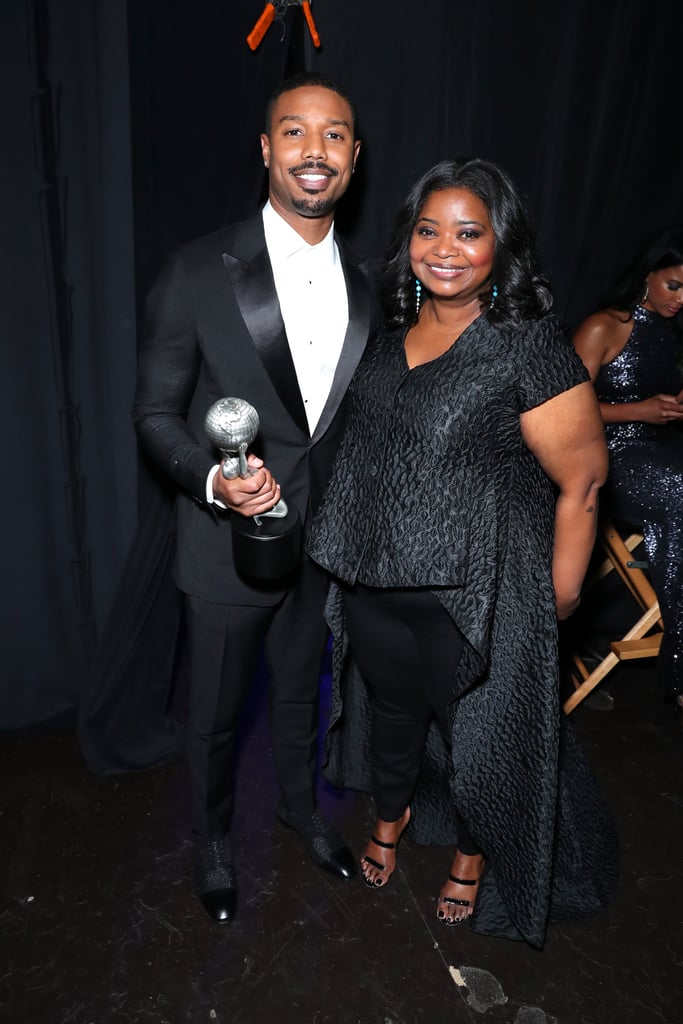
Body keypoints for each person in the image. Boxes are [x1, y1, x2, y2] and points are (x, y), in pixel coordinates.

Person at [307, 158, 619, 947]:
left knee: (482, 739)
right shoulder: (386, 337)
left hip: (476, 594)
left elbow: (581, 484)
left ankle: (472, 859)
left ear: (500, 247)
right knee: (392, 718)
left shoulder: (527, 347)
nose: (444, 248)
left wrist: (559, 598)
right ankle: (391, 815)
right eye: (427, 229)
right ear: (407, 240)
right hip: (379, 581)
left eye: (468, 232)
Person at [132, 71, 379, 923]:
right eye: (296, 133)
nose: (316, 151)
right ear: (267, 149)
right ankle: (208, 841)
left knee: (297, 696)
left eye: (335, 135)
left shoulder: (371, 282)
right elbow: (156, 413)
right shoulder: (197, 268)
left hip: (320, 545)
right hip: (221, 546)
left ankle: (300, 811)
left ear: (354, 156)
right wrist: (212, 484)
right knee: (209, 717)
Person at [572, 227, 683, 708]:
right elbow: (562, 408)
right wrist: (638, 411)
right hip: (607, 453)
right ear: (647, 276)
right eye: (674, 285)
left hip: (662, 447)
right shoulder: (606, 325)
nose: (680, 299)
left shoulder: (674, 334)